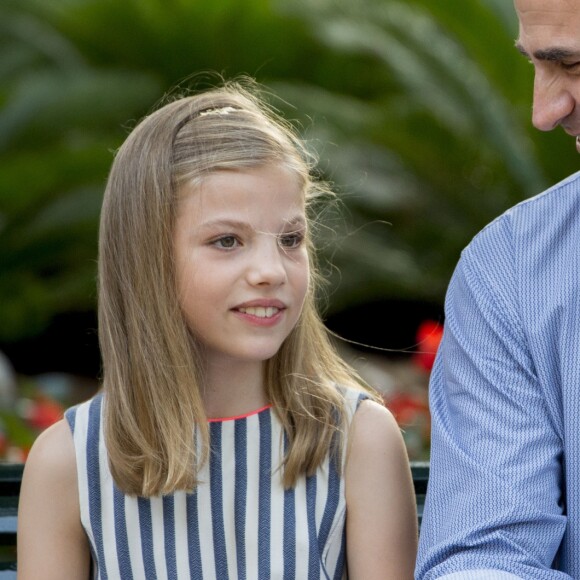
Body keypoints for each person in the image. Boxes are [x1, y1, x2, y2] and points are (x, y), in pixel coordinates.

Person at [17, 79, 418, 579]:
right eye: (228, 240)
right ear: (148, 260)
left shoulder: (360, 441)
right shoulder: (69, 463)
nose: (271, 270)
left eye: (291, 238)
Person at [416, 0, 580, 578]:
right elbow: (482, 558)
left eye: (576, 66)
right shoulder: (511, 269)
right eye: (537, 64)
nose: (544, 111)